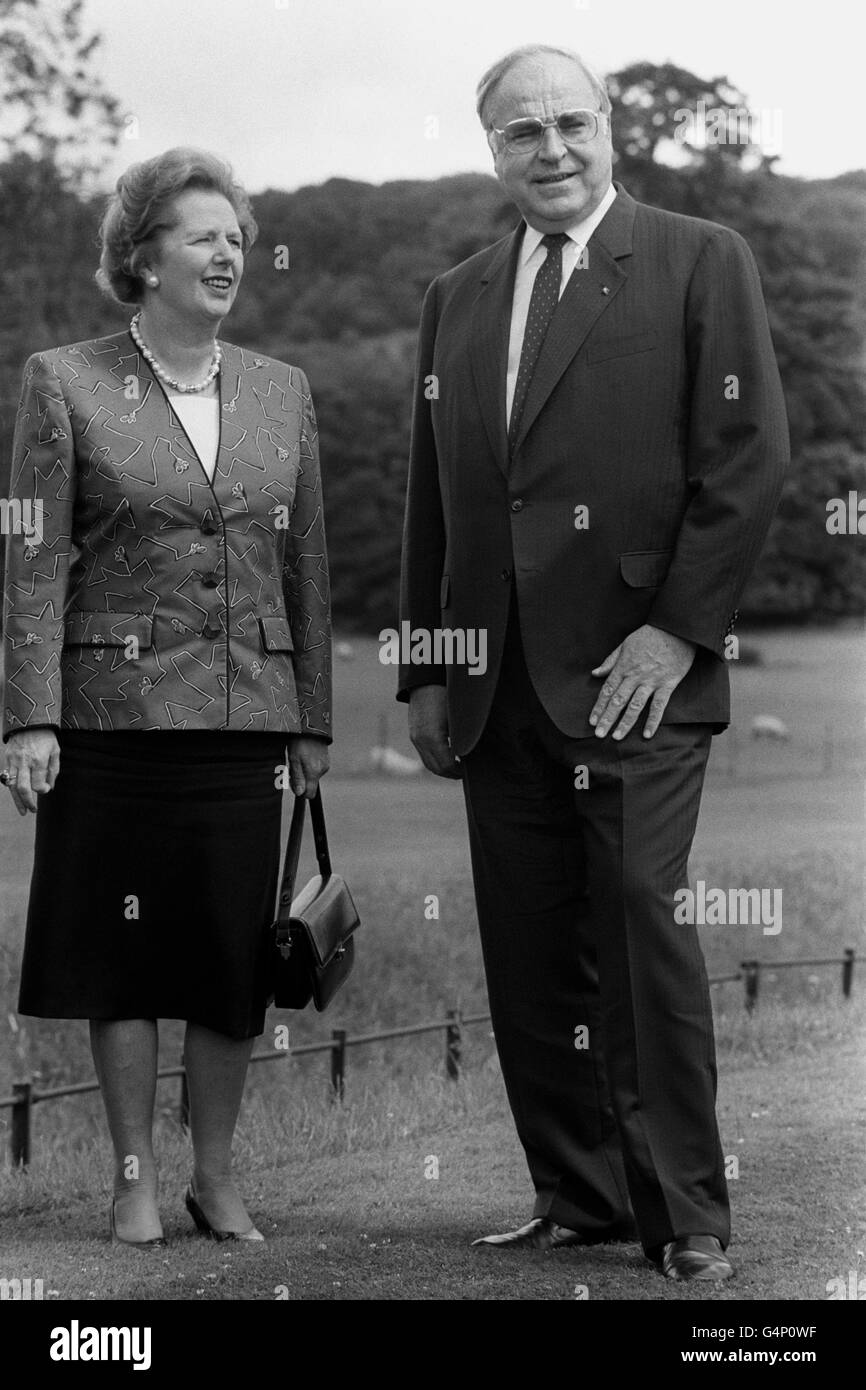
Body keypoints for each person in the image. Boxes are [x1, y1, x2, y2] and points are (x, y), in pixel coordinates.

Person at [398, 46, 789, 1281]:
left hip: (639, 671)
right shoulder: (452, 296)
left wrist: (675, 627)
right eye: (521, 132)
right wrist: (422, 661)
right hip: (491, 676)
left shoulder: (695, 257)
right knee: (527, 942)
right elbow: (434, 498)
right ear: (492, 151)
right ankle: (579, 1198)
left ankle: (686, 1214)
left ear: (609, 129)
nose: (549, 149)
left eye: (570, 122)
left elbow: (746, 459)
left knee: (637, 924)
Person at [1, 147, 332, 1247]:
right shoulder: (66, 379)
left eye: (237, 236)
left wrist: (314, 717)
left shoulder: (282, 391)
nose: (228, 251)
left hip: (246, 720)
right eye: (202, 235)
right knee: (124, 958)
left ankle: (216, 1178)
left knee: (230, 959)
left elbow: (308, 566)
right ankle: (133, 1179)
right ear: (141, 258)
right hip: (111, 722)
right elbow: (34, 556)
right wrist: (28, 713)